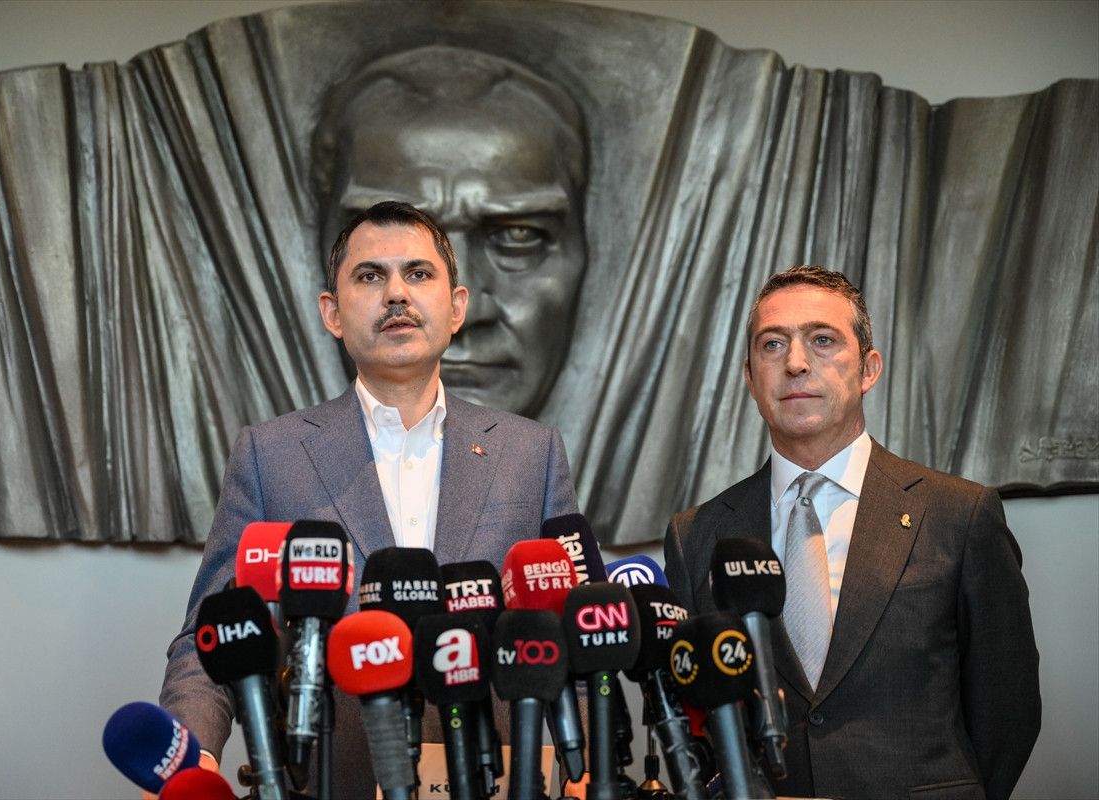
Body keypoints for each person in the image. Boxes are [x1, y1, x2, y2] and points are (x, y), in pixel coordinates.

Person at [157, 201, 579, 797]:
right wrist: (189, 754)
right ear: (333, 313)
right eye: (370, 275)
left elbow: (574, 639)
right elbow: (213, 636)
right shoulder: (270, 455)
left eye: (419, 273)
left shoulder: (531, 454)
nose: (397, 294)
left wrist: (584, 772)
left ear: (456, 306)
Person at [664, 265, 1040, 799]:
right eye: (772, 345)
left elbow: (1009, 708)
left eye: (822, 340)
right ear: (750, 378)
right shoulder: (696, 535)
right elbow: (694, 713)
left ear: (868, 369)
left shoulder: (960, 514)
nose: (796, 363)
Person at [312, 45, 589, 418]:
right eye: (389, 243)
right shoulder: (266, 448)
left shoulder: (549, 454)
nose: (462, 316)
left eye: (518, 236)